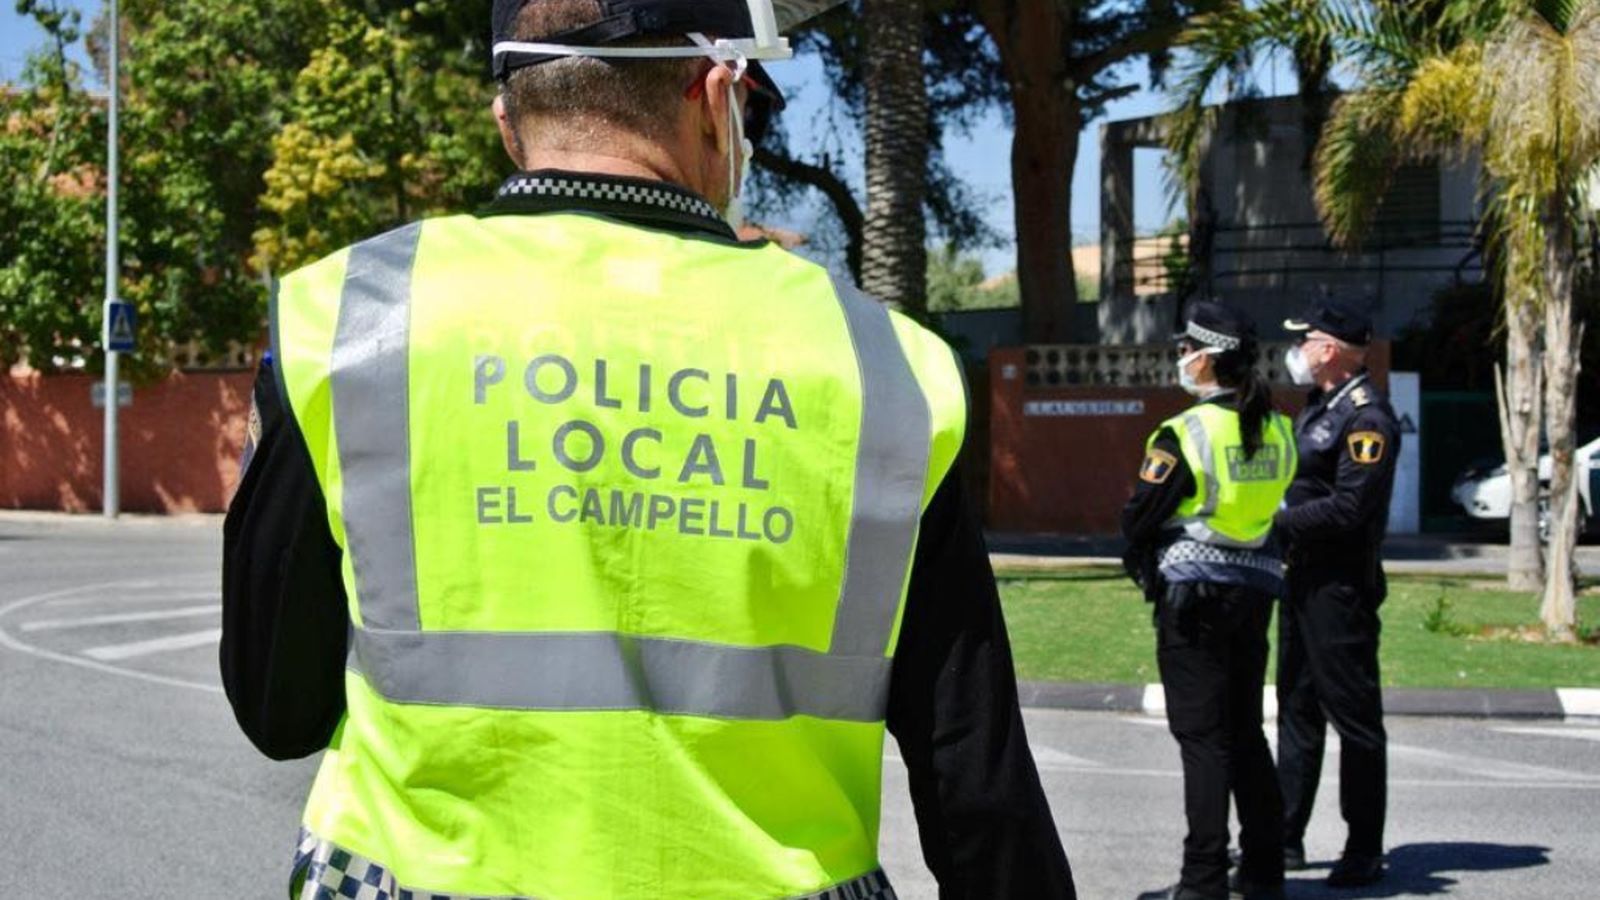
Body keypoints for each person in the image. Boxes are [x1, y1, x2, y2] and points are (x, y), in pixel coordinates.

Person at [219, 1, 1076, 898]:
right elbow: (977, 783)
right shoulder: (883, 367)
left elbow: (279, 708)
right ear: (715, 98)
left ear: (508, 123)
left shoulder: (348, 317)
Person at [1123, 302, 1297, 900]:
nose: (1179, 360)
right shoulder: (1278, 426)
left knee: (1202, 739)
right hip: (1254, 594)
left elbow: (1140, 514)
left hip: (1193, 600)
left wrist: (1139, 553)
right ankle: (1263, 871)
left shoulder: (1187, 431)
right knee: (1245, 731)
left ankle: (1201, 881)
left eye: (1184, 351)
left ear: (1207, 356)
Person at [1274, 298, 1400, 888]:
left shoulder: (1366, 418)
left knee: (1354, 720)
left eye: (1305, 341)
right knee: (1296, 712)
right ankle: (1286, 837)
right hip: (1301, 580)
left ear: (1328, 350)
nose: (1297, 352)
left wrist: (1276, 521)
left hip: (1340, 589)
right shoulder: (1319, 407)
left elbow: (1353, 507)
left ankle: (1363, 846)